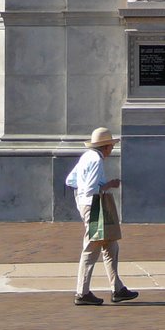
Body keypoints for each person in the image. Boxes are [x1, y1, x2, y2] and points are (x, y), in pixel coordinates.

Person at [65, 127, 139, 306]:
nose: (111, 150)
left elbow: (70, 180)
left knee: (111, 246)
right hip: (94, 206)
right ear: (105, 147)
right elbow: (92, 189)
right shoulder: (96, 160)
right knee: (92, 248)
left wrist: (81, 194)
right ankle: (82, 292)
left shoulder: (86, 157)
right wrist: (108, 185)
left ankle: (118, 289)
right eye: (110, 146)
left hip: (87, 204)